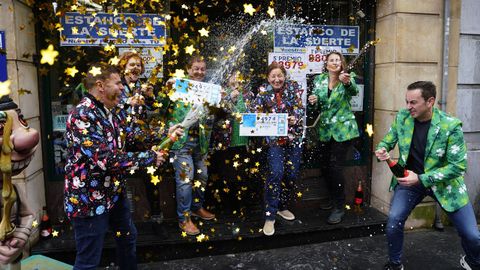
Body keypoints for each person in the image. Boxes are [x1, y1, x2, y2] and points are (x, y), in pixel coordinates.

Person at [64, 64, 181, 269]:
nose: (122, 87)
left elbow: (135, 135)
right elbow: (105, 159)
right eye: (118, 83)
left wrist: (166, 135)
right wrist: (149, 158)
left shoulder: (114, 110)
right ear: (100, 85)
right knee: (89, 259)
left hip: (114, 193)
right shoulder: (82, 115)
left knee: (127, 240)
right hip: (88, 198)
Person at [375, 81, 480, 270]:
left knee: (472, 235)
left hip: (445, 185)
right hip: (410, 182)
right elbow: (387, 141)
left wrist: (422, 178)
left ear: (430, 101)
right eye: (407, 101)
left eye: (413, 102)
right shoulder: (402, 118)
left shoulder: (451, 125)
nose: (408, 107)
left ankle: (472, 261)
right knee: (393, 223)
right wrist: (382, 149)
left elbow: (458, 167)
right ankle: (394, 264)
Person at [307, 51, 360, 224]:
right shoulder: (319, 80)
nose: (335, 62)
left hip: (343, 131)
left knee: (335, 167)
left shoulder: (347, 77)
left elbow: (353, 90)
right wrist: (312, 101)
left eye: (338, 60)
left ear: (342, 63)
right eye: (332, 60)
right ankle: (332, 198)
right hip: (325, 130)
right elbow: (317, 106)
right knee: (324, 166)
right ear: (327, 64)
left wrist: (347, 82)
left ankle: (339, 206)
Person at [166, 55, 215, 236]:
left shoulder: (209, 89)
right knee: (185, 181)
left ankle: (196, 208)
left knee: (202, 176)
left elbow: (216, 113)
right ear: (188, 69)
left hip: (201, 142)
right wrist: (167, 90)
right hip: (181, 142)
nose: (199, 72)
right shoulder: (179, 85)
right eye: (196, 68)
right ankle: (184, 219)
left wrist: (220, 100)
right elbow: (161, 106)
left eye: (202, 69)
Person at [253, 62, 304, 236]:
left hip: (293, 139)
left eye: (279, 75)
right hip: (274, 142)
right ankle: (270, 215)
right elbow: (254, 112)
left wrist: (294, 118)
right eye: (273, 76)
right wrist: (270, 118)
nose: (277, 79)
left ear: (284, 76)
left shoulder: (293, 88)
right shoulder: (262, 92)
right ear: (268, 78)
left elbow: (299, 108)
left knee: (291, 173)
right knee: (275, 174)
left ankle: (282, 206)